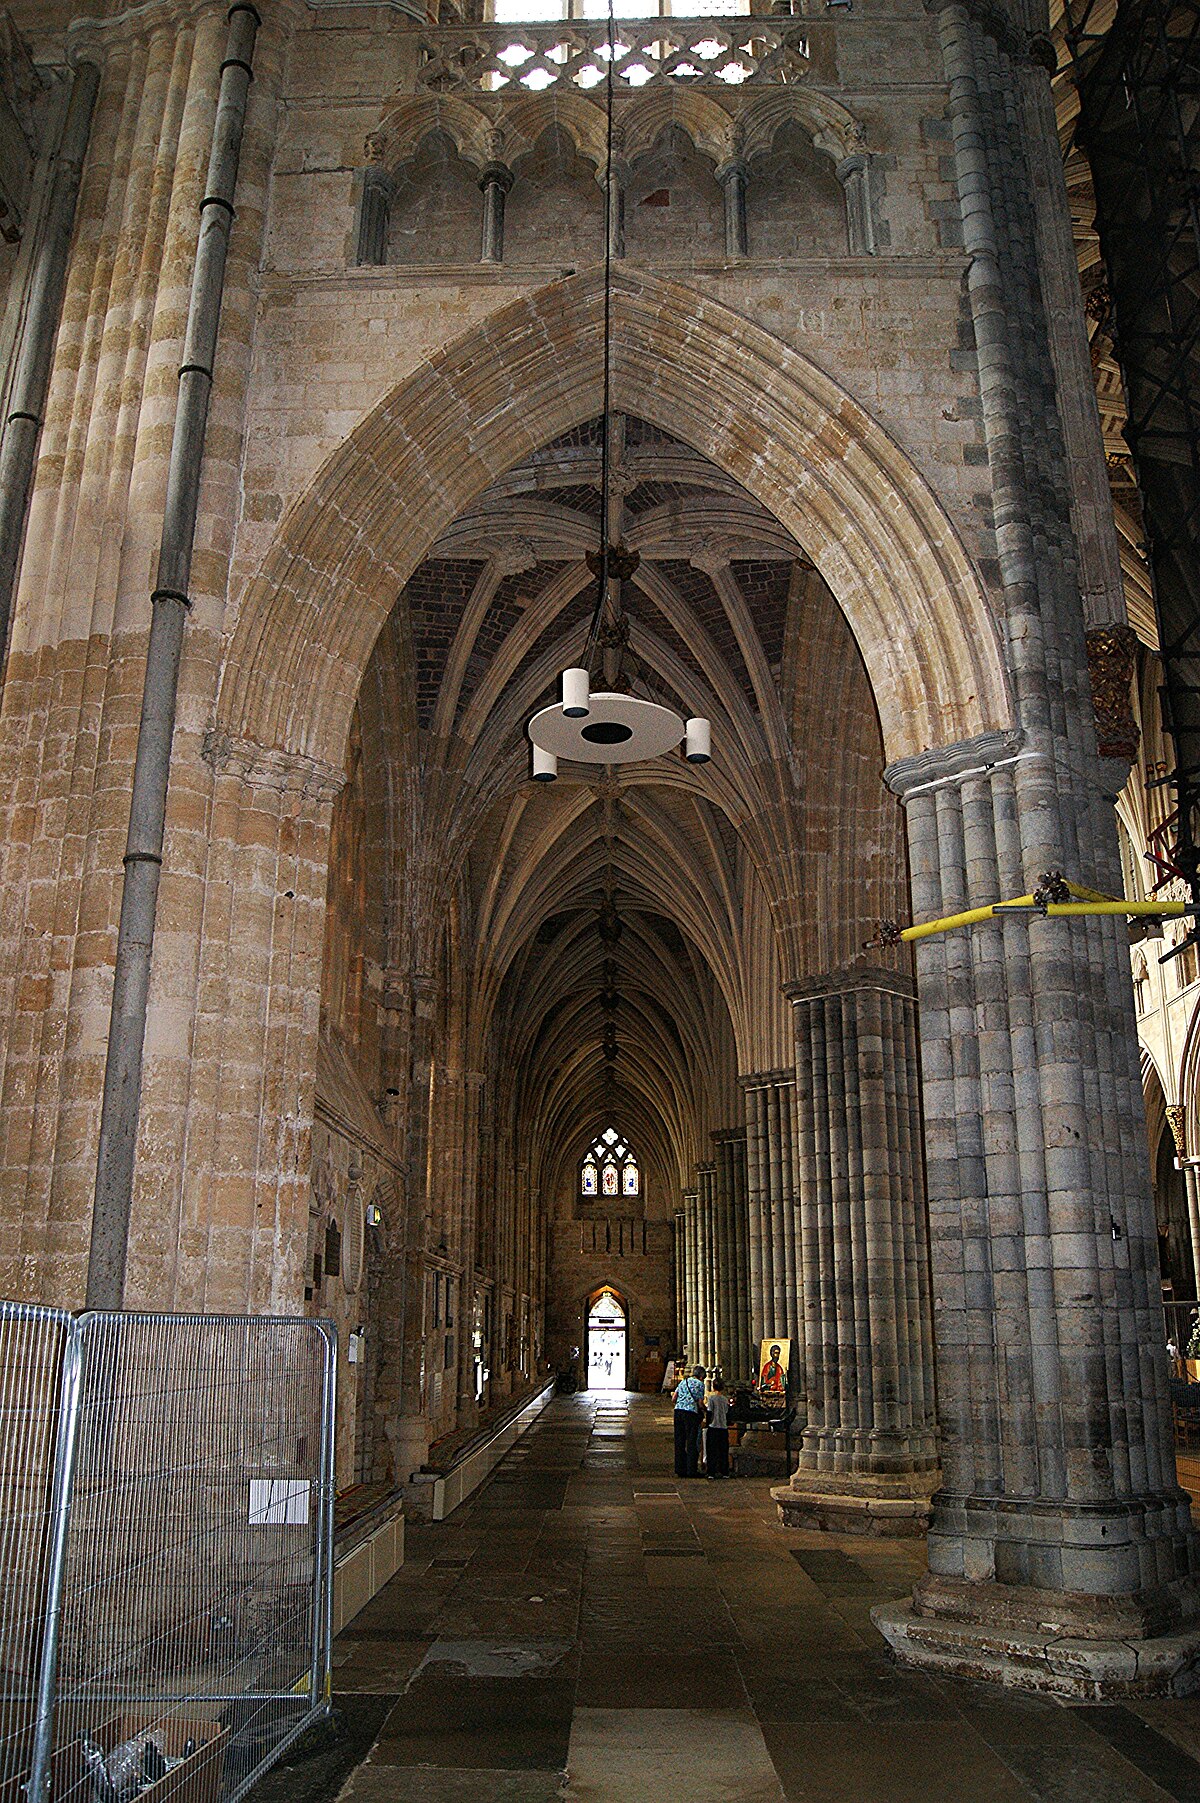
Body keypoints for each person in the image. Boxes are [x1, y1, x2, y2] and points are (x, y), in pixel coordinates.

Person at [673, 1363, 706, 1478]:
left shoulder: (683, 1381)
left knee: (679, 1441)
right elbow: (700, 1403)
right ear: (701, 1377)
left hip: (678, 1412)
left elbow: (674, 1398)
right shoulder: (700, 1384)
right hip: (691, 1414)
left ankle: (679, 1468)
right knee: (691, 1441)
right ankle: (691, 1470)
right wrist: (705, 1410)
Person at [706, 1376, 730, 1478]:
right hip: (723, 1428)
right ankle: (724, 1472)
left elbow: (709, 1411)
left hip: (713, 1426)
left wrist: (708, 1423)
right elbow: (727, 1412)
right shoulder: (725, 1399)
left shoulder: (711, 1398)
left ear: (713, 1387)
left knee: (712, 1451)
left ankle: (712, 1472)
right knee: (723, 1450)